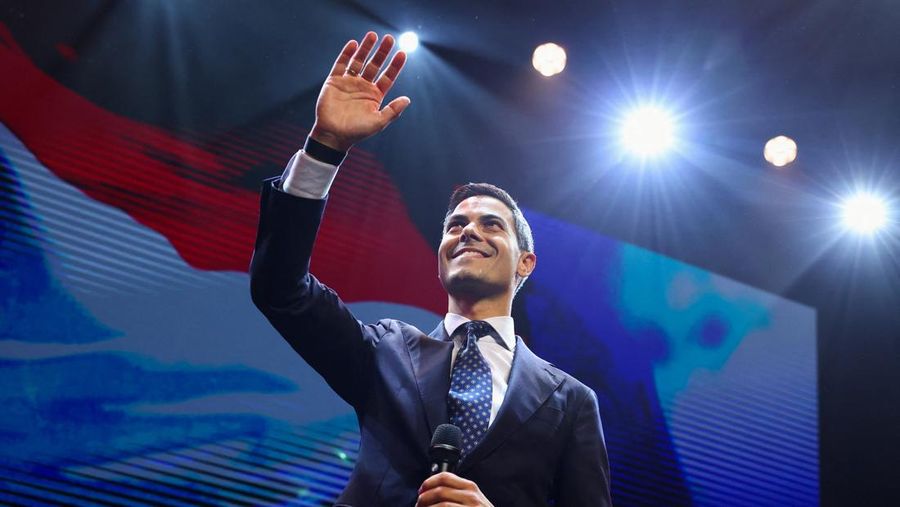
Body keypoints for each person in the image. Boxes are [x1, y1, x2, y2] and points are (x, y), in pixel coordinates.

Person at [250, 31, 612, 506]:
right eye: (456, 224)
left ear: (526, 262)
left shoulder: (570, 401)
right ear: (441, 254)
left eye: (491, 225)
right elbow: (280, 288)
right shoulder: (384, 351)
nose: (468, 231)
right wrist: (324, 147)